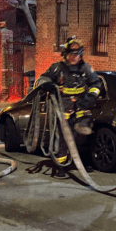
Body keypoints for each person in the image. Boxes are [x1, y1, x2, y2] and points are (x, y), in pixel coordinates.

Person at [40, 36, 102, 176]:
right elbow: (43, 78)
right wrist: (46, 84)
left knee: (83, 136)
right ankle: (61, 166)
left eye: (78, 55)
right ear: (65, 54)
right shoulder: (57, 68)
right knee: (62, 138)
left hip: (81, 107)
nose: (75, 58)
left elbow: (96, 84)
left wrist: (91, 96)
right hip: (63, 109)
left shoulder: (86, 68)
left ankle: (82, 162)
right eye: (72, 54)